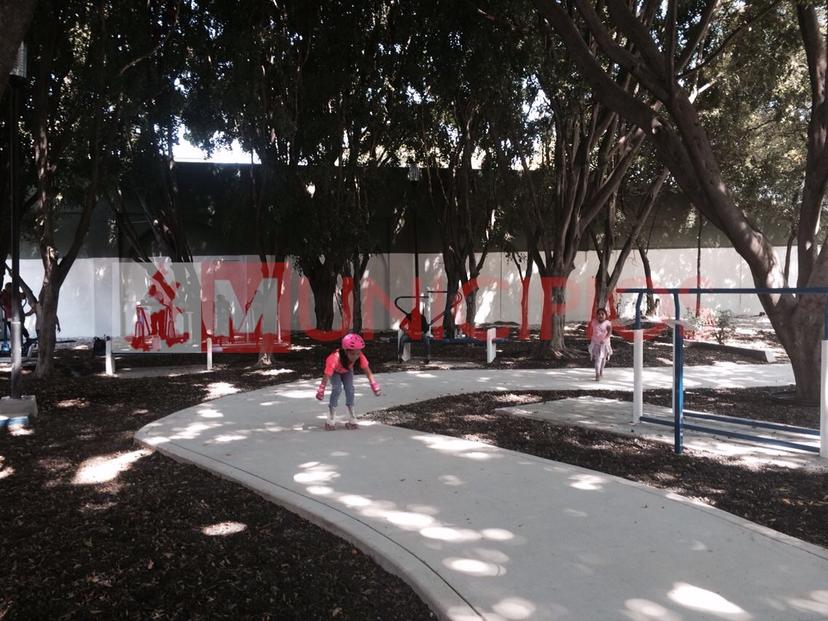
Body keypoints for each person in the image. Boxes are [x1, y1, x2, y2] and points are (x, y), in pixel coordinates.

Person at [315, 333, 381, 430]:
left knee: (350, 389)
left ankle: (351, 413)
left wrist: (374, 385)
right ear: (346, 351)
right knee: (337, 388)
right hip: (335, 372)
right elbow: (327, 375)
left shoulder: (360, 356)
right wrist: (321, 389)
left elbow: (367, 371)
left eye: (358, 353)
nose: (355, 357)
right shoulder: (334, 358)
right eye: (352, 354)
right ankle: (331, 414)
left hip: (347, 370)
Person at [589, 308, 613, 381]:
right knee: (598, 359)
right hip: (596, 343)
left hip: (604, 344)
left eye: (602, 314)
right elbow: (592, 331)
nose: (600, 315)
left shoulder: (607, 323)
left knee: (603, 359)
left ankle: (601, 371)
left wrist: (604, 339)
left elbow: (609, 332)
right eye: (599, 314)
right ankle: (597, 374)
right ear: (596, 315)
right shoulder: (593, 322)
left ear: (605, 315)